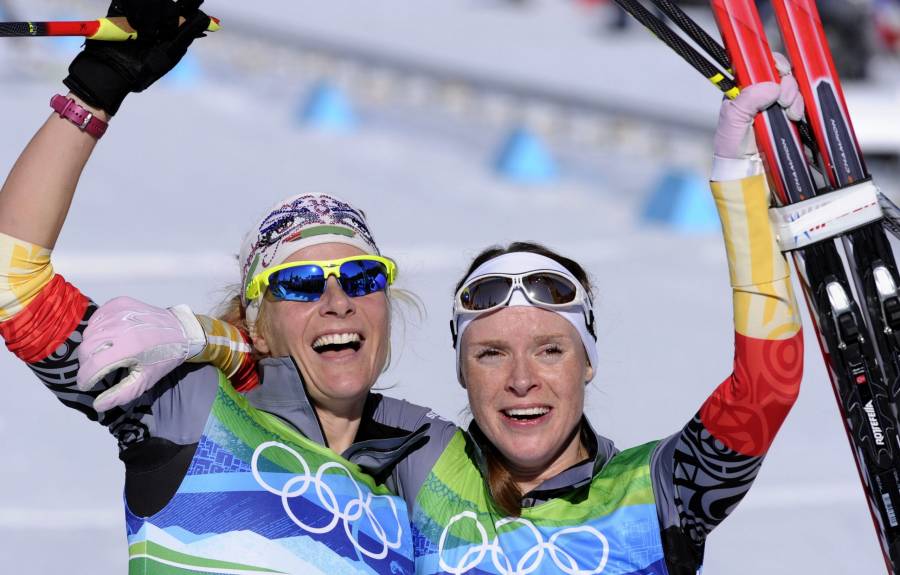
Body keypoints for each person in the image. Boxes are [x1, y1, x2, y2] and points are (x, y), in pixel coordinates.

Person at [80, 59, 806, 573]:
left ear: (588, 360)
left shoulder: (658, 492)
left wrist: (739, 184)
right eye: (491, 354)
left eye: (550, 350)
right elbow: (302, 372)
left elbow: (764, 387)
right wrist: (205, 335)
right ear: (461, 371)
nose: (522, 379)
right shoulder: (422, 461)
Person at [0, 2, 440, 573]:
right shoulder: (187, 409)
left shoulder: (429, 456)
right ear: (257, 321)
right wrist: (95, 90)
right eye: (300, 284)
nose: (338, 302)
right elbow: (11, 277)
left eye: (362, 277)